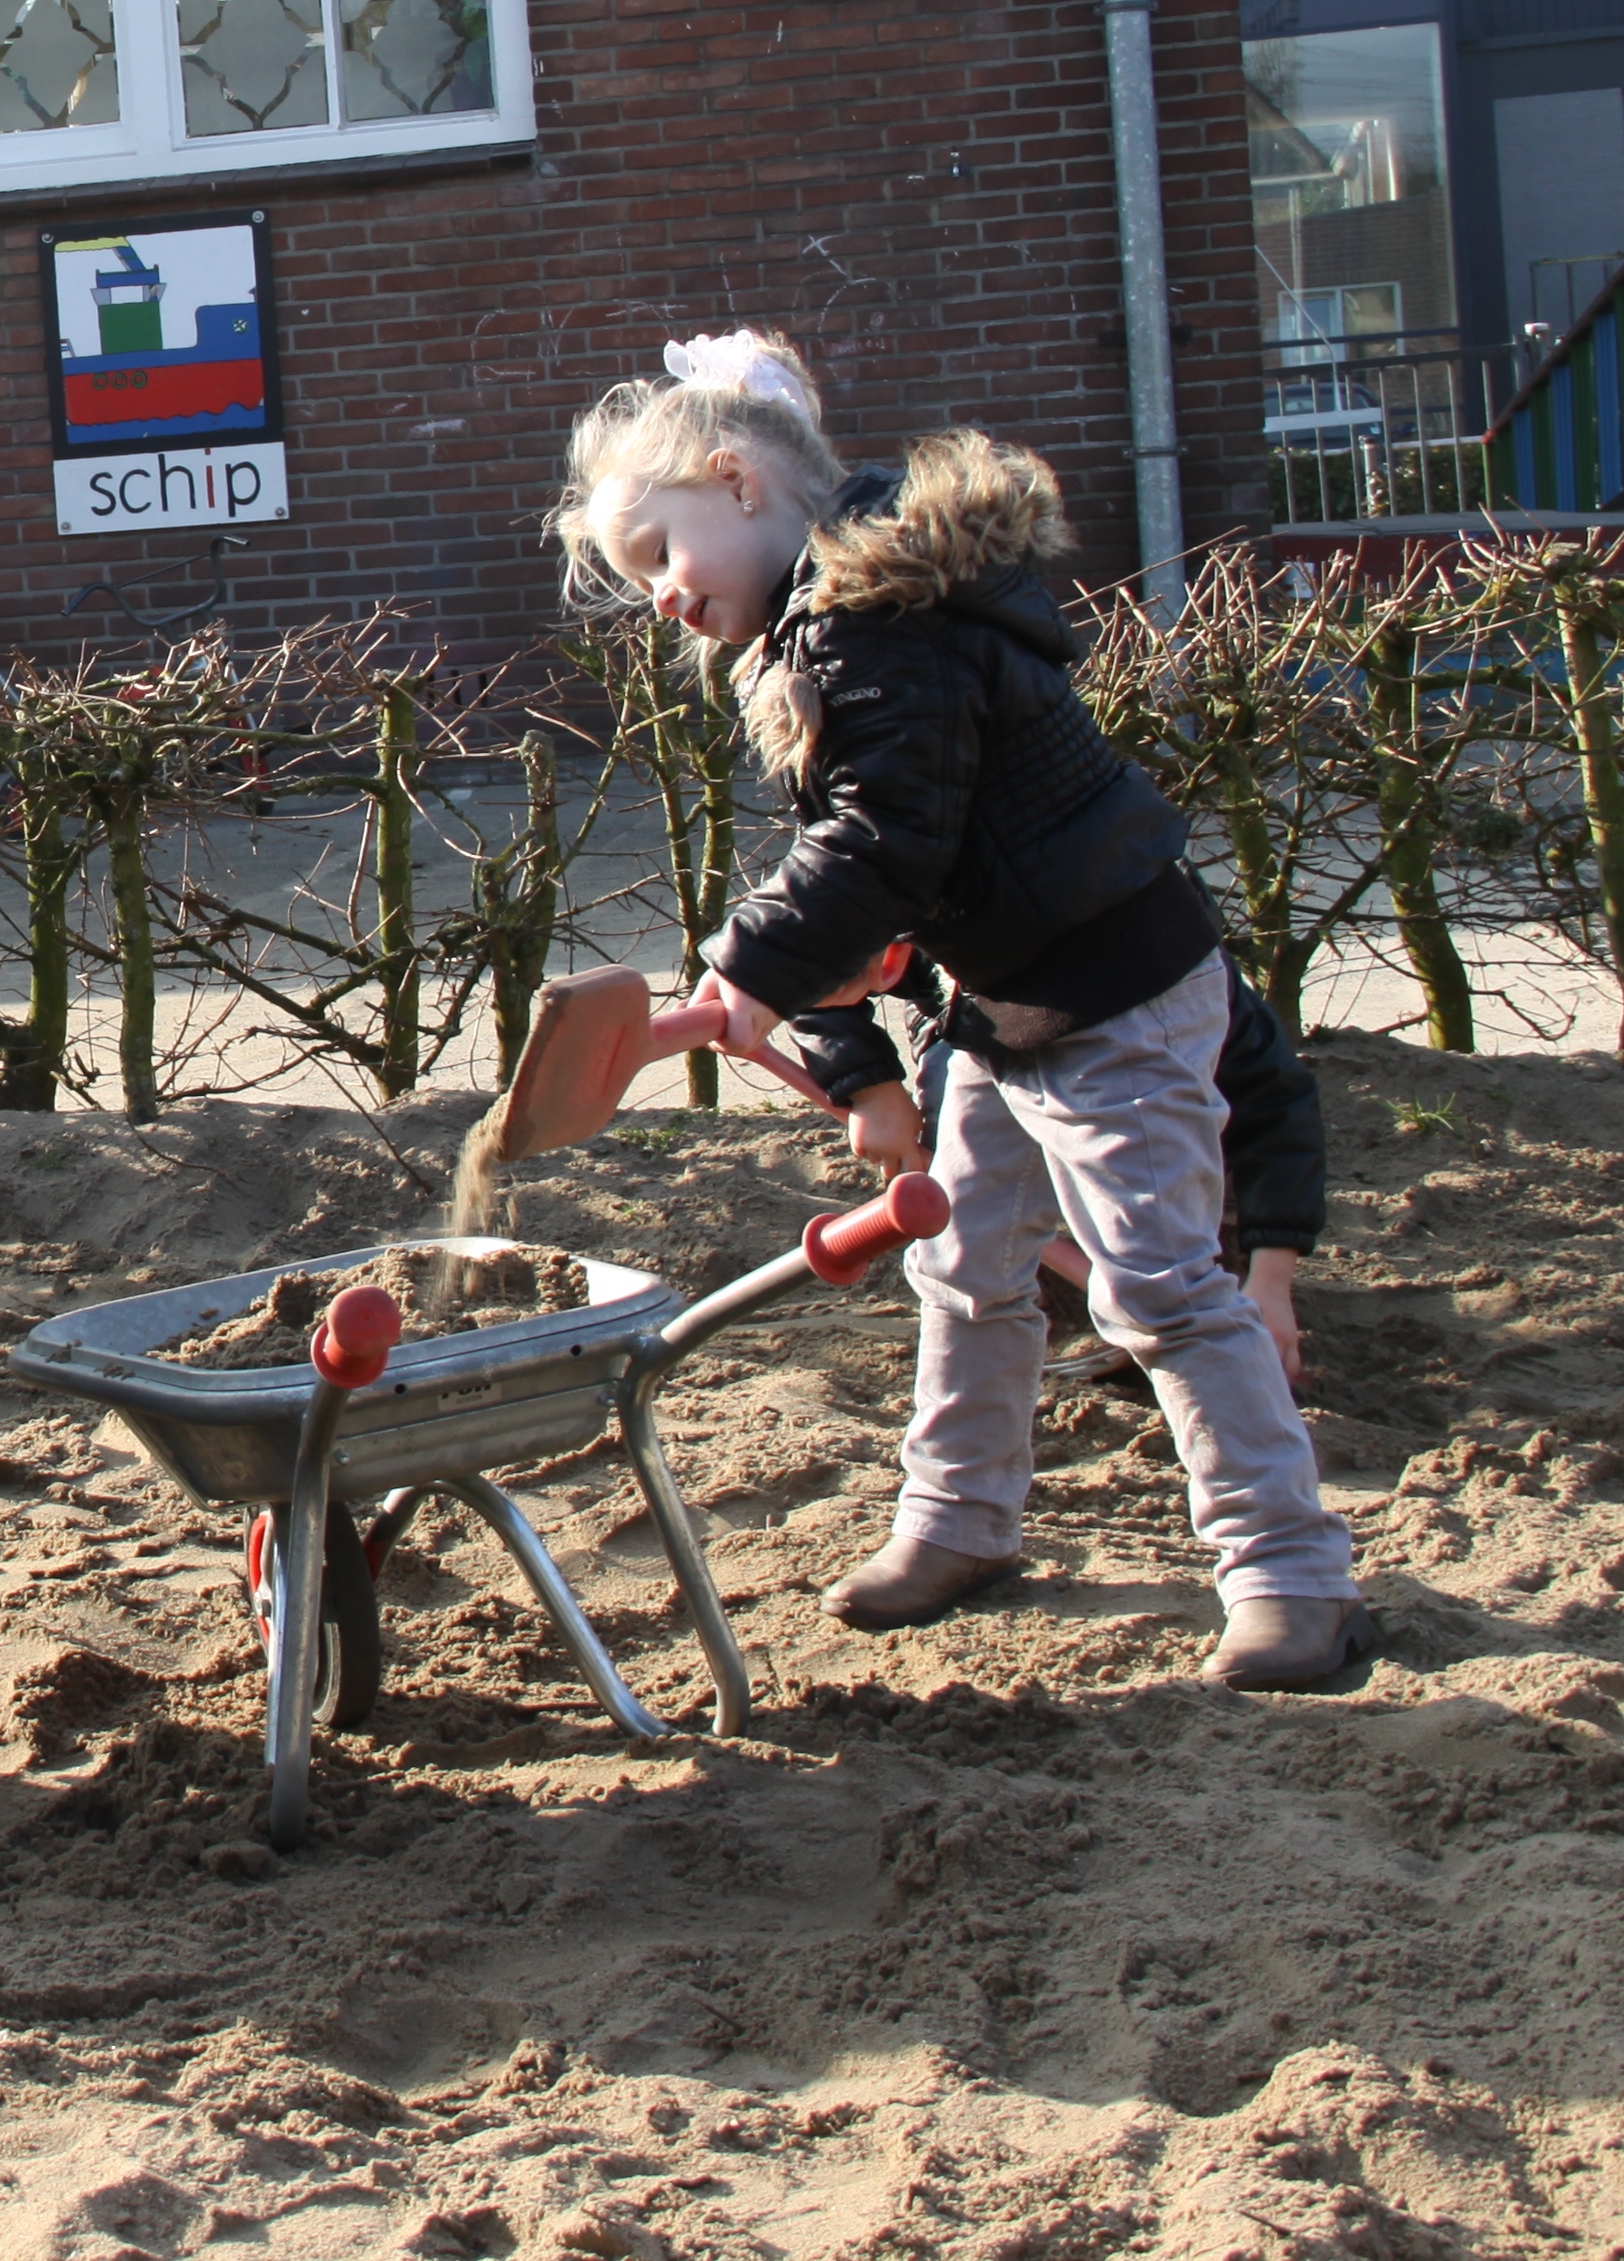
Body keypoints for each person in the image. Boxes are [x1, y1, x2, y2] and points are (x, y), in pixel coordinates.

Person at [550, 329, 1375, 1691]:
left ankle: (1289, 1571)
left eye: (657, 558)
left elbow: (883, 845)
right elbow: (895, 859)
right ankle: (959, 1520)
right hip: (1002, 1010)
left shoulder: (882, 629)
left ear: (738, 484)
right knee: (966, 1266)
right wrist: (821, 977)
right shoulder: (832, 628)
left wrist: (757, 966)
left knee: (1158, 1285)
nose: (657, 603)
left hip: (1113, 993)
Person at [798, 952, 1324, 1391]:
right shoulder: (950, 905)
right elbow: (809, 952)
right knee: (972, 1186)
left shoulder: (1189, 981)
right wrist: (870, 1088)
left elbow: (1277, 1104)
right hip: (972, 1013)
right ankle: (1047, 1306)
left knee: (1178, 1197)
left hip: (1135, 1005)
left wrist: (1271, 1280)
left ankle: (1193, 1265)